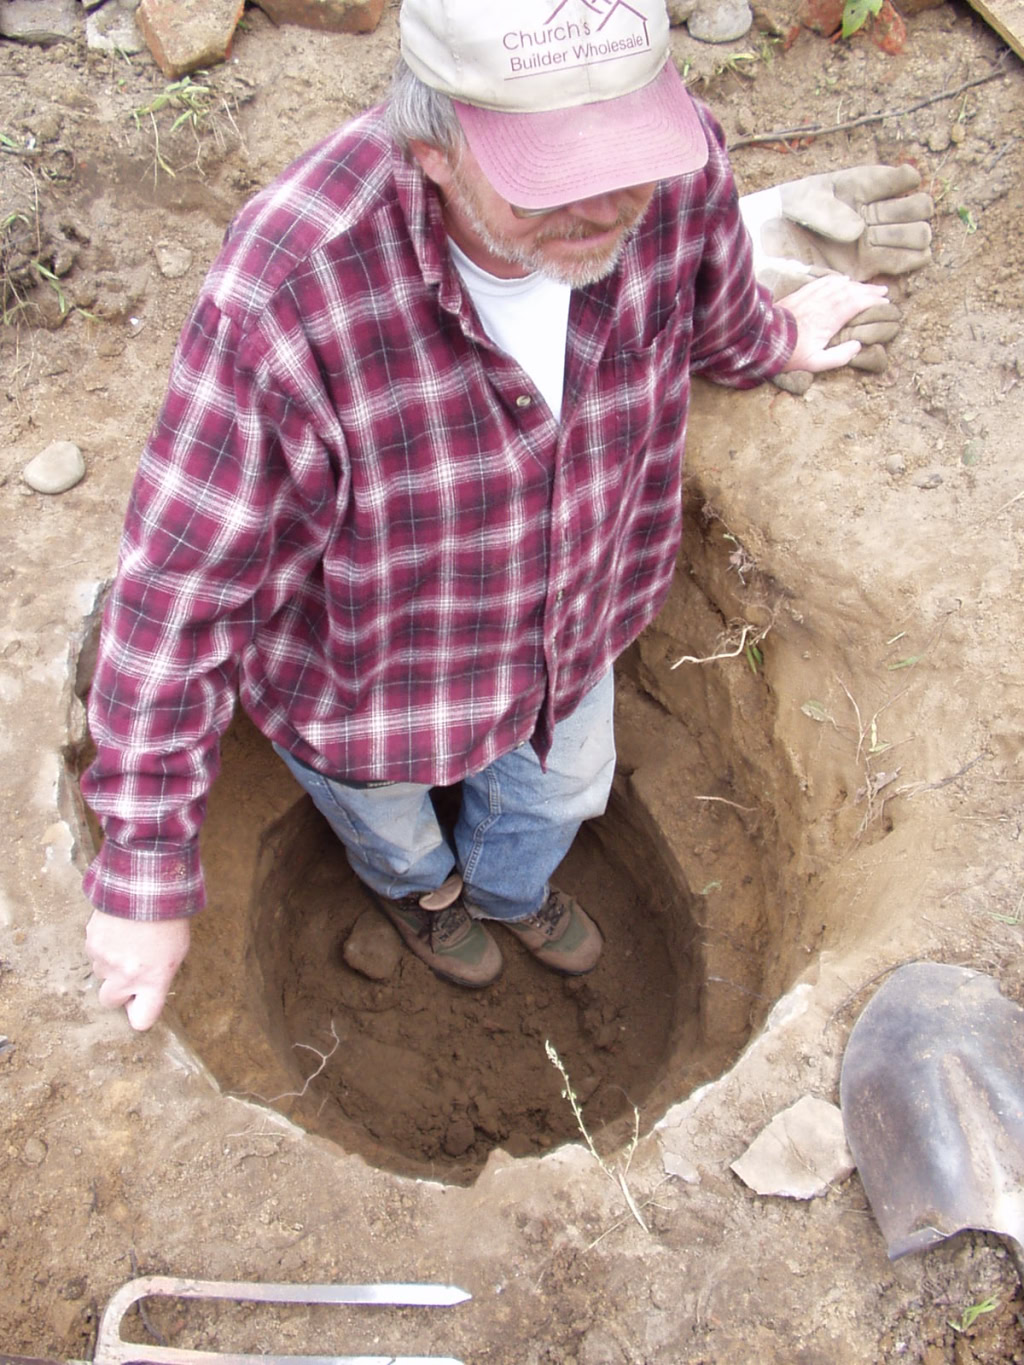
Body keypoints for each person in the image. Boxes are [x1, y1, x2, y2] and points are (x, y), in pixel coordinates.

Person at [82, 0, 930, 1029]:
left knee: (560, 797)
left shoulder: (670, 166)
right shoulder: (289, 291)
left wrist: (772, 340)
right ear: (432, 141)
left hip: (570, 630)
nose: (605, 207)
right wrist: (143, 866)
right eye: (548, 180)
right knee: (391, 831)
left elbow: (708, 295)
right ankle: (425, 901)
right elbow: (179, 587)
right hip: (369, 681)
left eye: (623, 165)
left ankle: (505, 893)